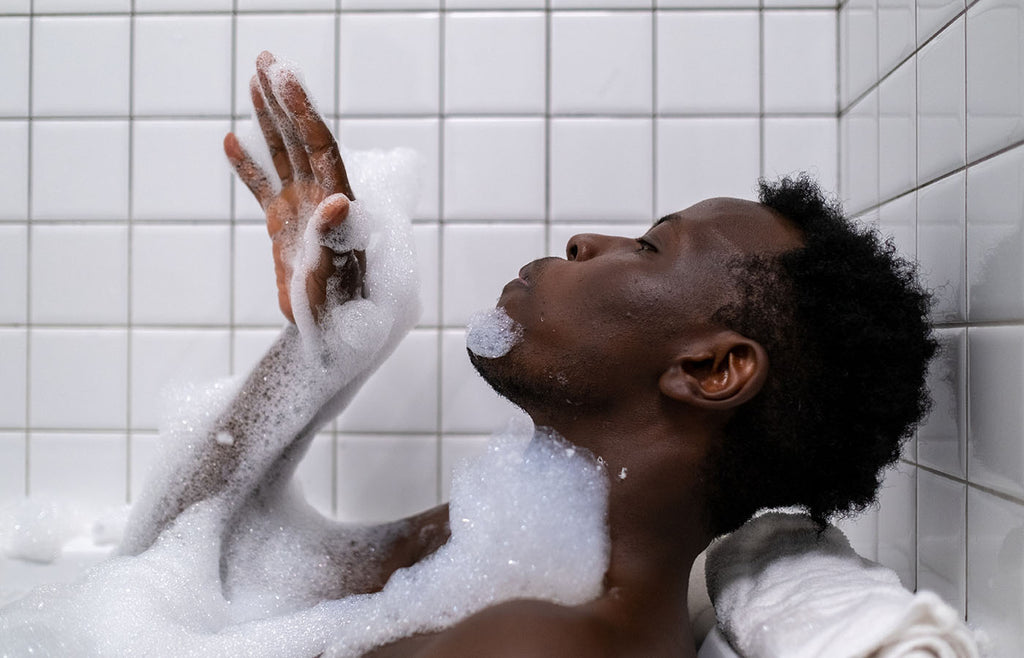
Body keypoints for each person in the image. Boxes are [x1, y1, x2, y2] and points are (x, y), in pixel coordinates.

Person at [121, 52, 937, 657]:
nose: (586, 241)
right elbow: (186, 567)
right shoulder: (500, 553)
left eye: (652, 248)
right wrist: (323, 345)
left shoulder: (541, 644)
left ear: (710, 370)